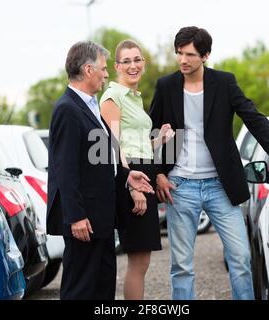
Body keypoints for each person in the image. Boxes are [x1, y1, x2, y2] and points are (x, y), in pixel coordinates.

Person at [149, 26, 269, 300]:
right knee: (181, 266)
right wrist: (158, 174)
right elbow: (151, 132)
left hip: (221, 186)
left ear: (206, 55)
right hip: (180, 186)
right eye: (179, 53)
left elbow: (254, 118)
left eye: (190, 54)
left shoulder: (224, 83)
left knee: (241, 259)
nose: (183, 60)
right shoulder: (166, 86)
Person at [46, 41, 154, 300]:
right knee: (81, 291)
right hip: (84, 221)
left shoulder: (90, 106)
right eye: (104, 69)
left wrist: (128, 176)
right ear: (87, 70)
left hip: (102, 219)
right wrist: (76, 217)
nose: (107, 74)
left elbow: (101, 158)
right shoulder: (67, 109)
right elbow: (65, 169)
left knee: (103, 289)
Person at [99, 39, 175, 300]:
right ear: (117, 66)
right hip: (132, 178)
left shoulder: (134, 98)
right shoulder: (113, 97)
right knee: (138, 262)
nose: (133, 65)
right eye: (127, 61)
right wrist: (131, 186)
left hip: (143, 171)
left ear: (144, 62)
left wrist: (159, 140)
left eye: (137, 59)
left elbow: (138, 144)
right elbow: (112, 146)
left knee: (142, 261)